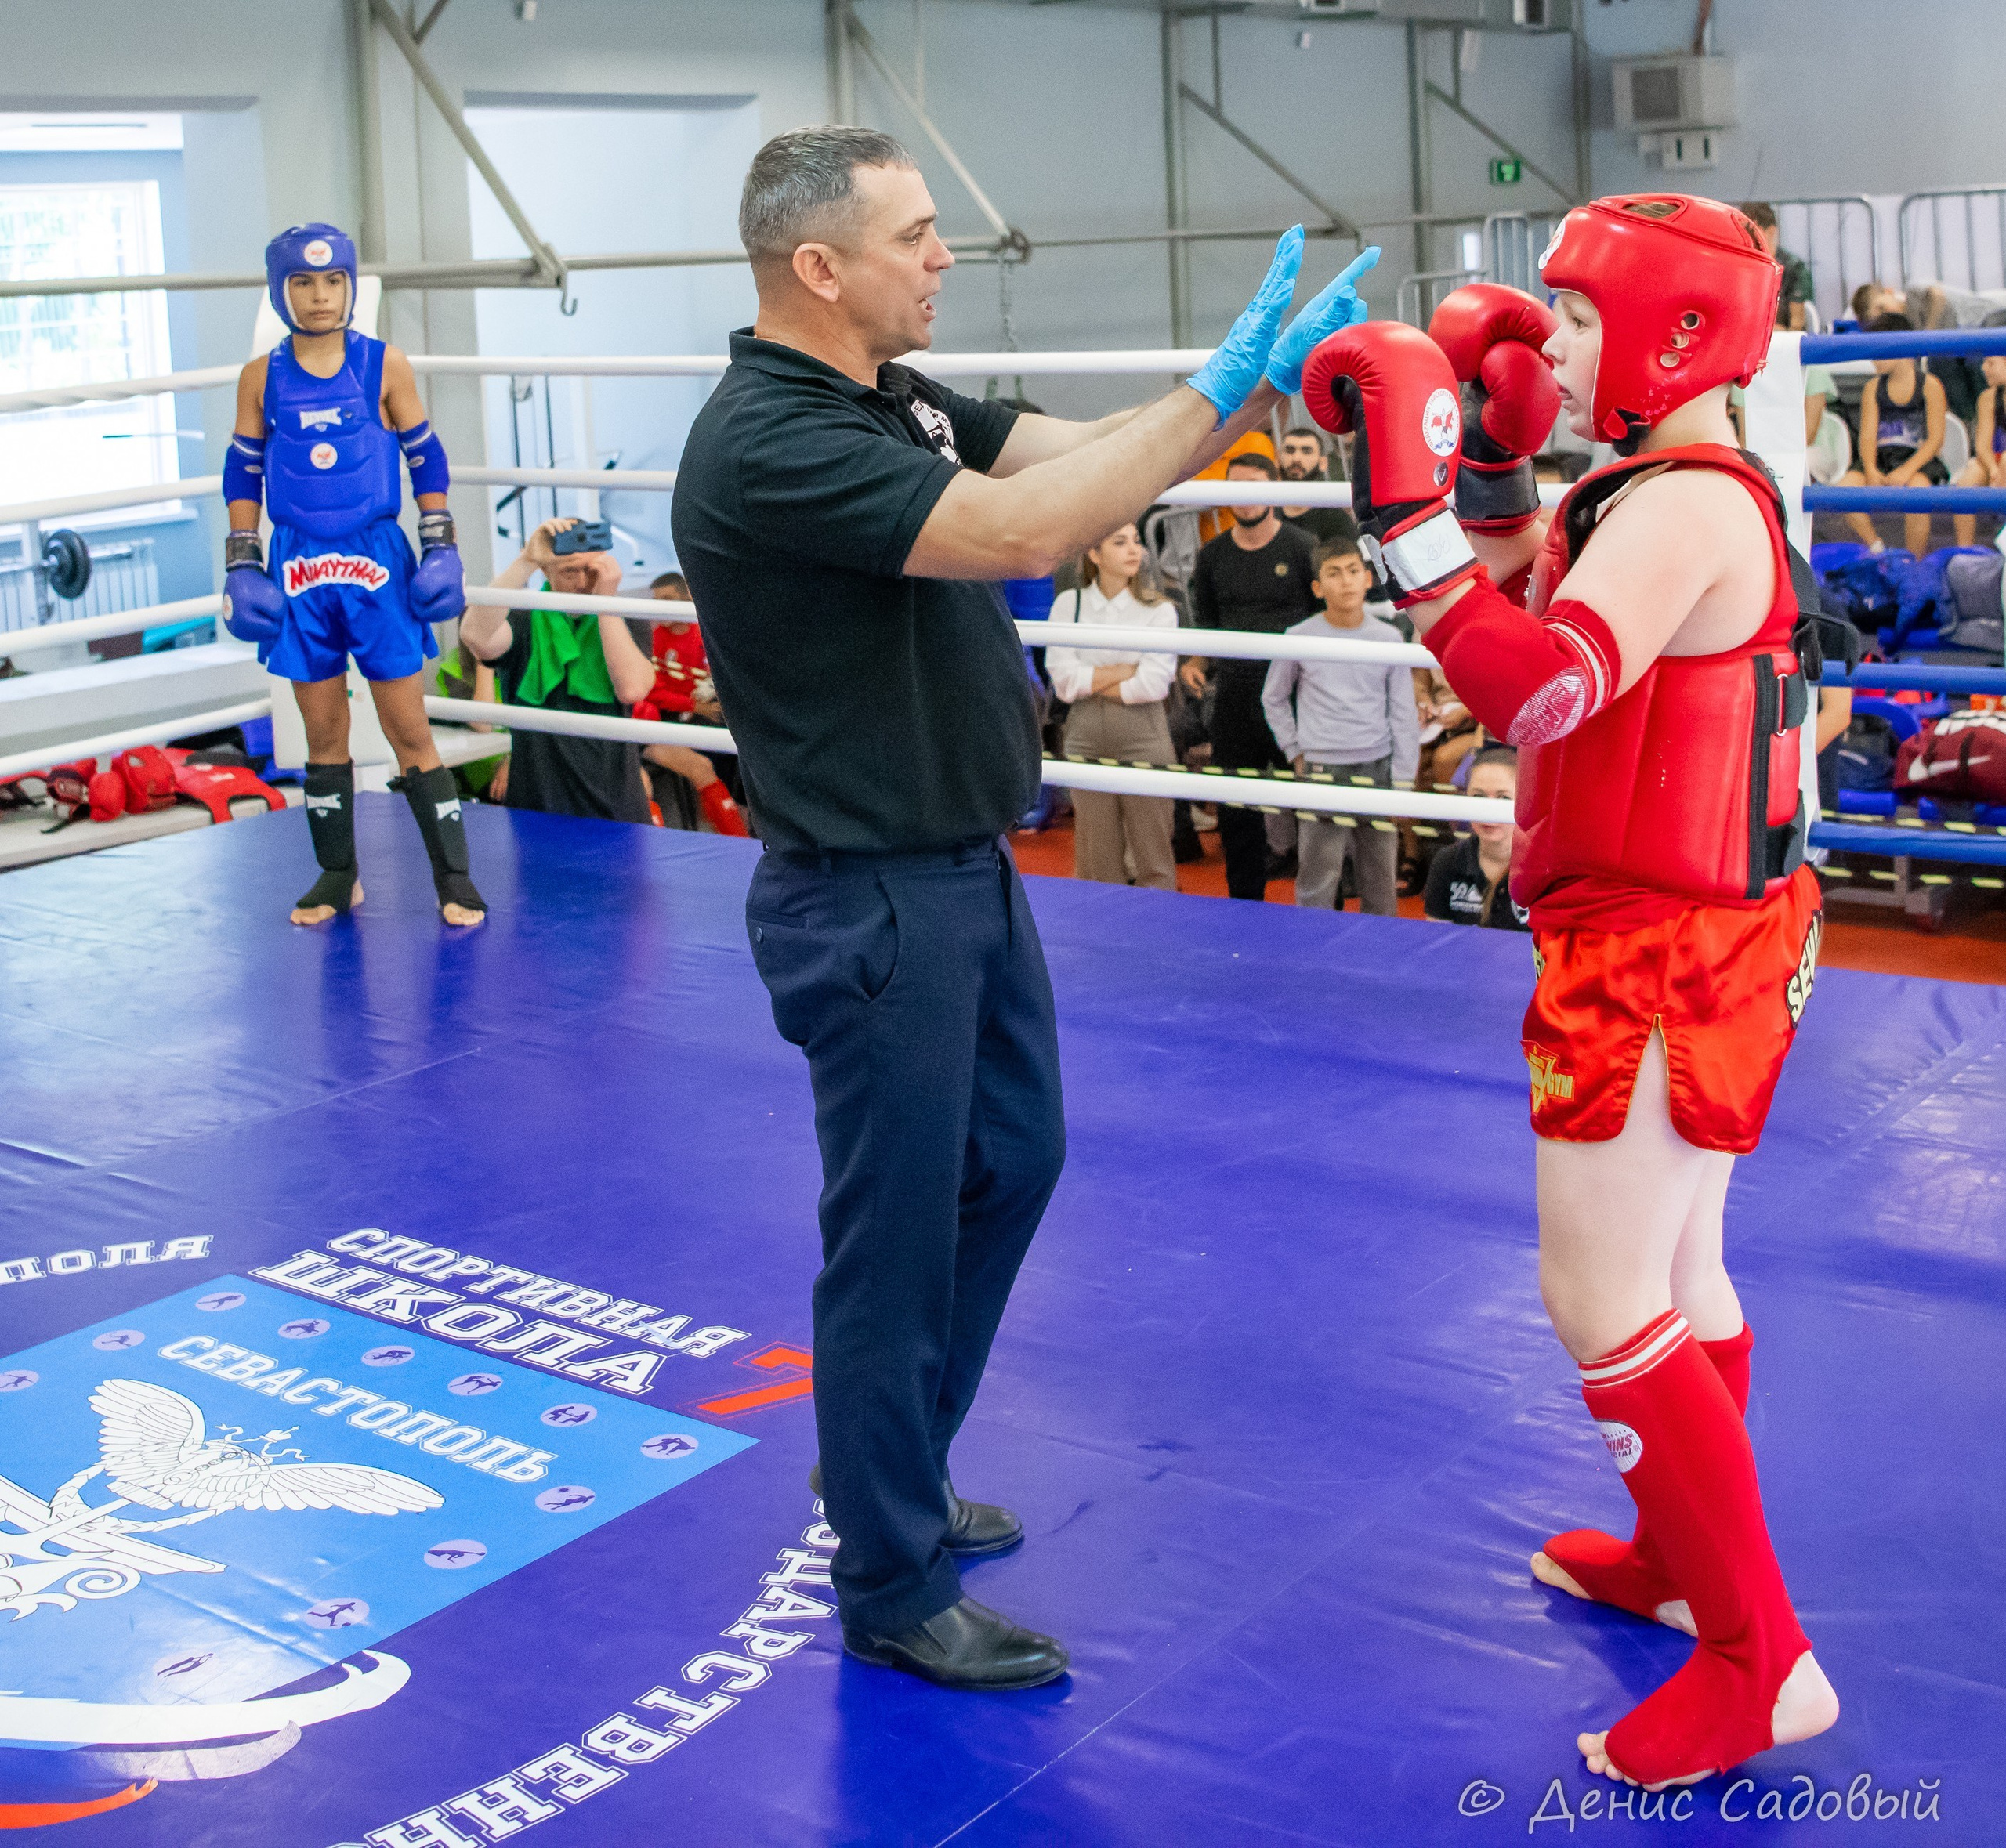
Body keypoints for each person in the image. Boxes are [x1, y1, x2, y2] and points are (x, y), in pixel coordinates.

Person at [670, 124, 1376, 1692]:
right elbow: (1025, 532)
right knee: (895, 1238)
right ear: (818, 266)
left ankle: (884, 1467)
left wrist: (1239, 386)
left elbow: (1074, 449)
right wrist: (1223, 389)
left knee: (1012, 1161)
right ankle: (888, 1571)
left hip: (963, 869)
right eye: (914, 235)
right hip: (866, 896)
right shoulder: (764, 439)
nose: (940, 257)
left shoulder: (897, 395)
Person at [1308, 205, 1839, 1788]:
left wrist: (1393, 508)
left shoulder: (1685, 506)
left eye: (1578, 317)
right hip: (1691, 925)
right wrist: (1476, 469)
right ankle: (1675, 1558)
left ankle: (1760, 1662)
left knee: (1597, 1298)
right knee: (1683, 1263)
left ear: (1673, 332)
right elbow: (1521, 593)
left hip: (1657, 951)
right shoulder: (1648, 484)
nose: (1550, 345)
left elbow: (1536, 685)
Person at [219, 222, 480, 927]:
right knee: (322, 734)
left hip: (377, 560)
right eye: (303, 282)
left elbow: (426, 456)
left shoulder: (383, 365)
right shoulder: (262, 376)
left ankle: (454, 879)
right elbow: (243, 467)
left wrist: (440, 545)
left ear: (350, 285)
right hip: (299, 563)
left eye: (332, 280)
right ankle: (338, 875)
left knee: (408, 728)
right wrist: (242, 556)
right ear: (281, 290)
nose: (319, 296)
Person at [1183, 453, 1321, 899]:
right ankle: (1242, 905)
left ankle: (1324, 903)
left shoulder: (1301, 546)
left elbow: (1324, 619)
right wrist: (1195, 663)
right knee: (1237, 808)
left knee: (1314, 805)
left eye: (1254, 486)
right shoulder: (1213, 556)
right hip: (1236, 696)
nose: (1244, 500)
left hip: (1296, 695)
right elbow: (1206, 621)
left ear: (1275, 487)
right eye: (1235, 488)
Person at [459, 517, 656, 823]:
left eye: (591, 571)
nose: (581, 583)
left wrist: (606, 602)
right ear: (547, 572)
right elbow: (475, 636)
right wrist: (526, 560)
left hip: (616, 804)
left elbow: (631, 689)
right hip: (536, 804)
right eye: (569, 571)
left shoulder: (625, 618)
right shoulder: (524, 619)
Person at [1260, 537, 1418, 914]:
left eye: (1353, 571)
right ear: (1318, 587)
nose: (1346, 581)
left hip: (1377, 765)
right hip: (1321, 766)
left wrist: (1403, 780)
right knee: (1318, 876)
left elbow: (1403, 712)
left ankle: (1382, 956)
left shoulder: (1389, 637)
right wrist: (1295, 750)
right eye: (1334, 573)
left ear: (1367, 579)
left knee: (1380, 877)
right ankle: (1312, 956)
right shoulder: (1299, 637)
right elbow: (1273, 697)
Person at [1045, 521, 1179, 891]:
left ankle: (1158, 935)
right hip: (1083, 735)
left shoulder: (1160, 609)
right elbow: (1063, 682)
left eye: (1136, 541)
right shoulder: (1068, 604)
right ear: (1094, 554)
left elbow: (1154, 683)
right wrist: (1124, 670)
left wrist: (1091, 678)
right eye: (1120, 543)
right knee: (1096, 858)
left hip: (1145, 732)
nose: (1134, 550)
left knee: (1154, 855)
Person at [635, 571, 750, 837]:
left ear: (687, 596)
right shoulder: (654, 640)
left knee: (738, 740)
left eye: (668, 599)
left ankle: (744, 818)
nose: (662, 607)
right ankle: (732, 829)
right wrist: (692, 706)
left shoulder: (704, 633)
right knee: (718, 748)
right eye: (658, 601)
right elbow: (653, 692)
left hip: (705, 708)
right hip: (672, 716)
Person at [1838, 313, 1949, 556]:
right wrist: (1869, 468)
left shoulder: (1930, 386)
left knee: (1919, 494)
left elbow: (1935, 440)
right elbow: (1867, 436)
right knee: (1843, 491)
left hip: (1918, 460)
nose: (1873, 359)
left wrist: (1908, 470)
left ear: (1900, 346)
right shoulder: (1873, 388)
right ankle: (1878, 549)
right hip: (1881, 458)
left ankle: (1914, 561)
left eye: (1879, 351)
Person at [1422, 745, 1529, 929]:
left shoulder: (1547, 870)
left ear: (1525, 799)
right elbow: (1437, 945)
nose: (1488, 810)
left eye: (1503, 798)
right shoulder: (1447, 862)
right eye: (1479, 797)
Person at [1950, 327, 2006, 550]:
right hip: (1994, 460)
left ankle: (2001, 538)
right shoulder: (1988, 398)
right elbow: (1982, 445)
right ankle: (1965, 552)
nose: (1983, 369)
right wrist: (1993, 469)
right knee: (1966, 483)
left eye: (1991, 363)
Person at [1276, 425, 1360, 548]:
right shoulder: (1264, 512)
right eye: (1290, 450)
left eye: (1306, 451)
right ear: (1277, 459)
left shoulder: (1336, 520)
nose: (1296, 458)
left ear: (1323, 463)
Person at [1738, 203, 1812, 331]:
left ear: (1771, 231)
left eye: (1752, 233)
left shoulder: (1794, 268)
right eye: (1743, 233)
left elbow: (1797, 325)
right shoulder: (1738, 267)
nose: (1747, 239)